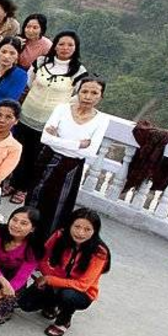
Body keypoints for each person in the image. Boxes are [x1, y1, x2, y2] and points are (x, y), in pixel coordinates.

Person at [9, 31, 87, 204]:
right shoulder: (41, 62)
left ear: (76, 48)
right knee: (19, 151)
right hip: (27, 114)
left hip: (50, 122)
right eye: (61, 44)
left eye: (70, 45)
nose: (65, 48)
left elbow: (77, 96)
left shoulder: (78, 71)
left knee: (37, 157)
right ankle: (13, 183)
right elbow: (29, 82)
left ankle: (24, 189)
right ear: (55, 46)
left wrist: (60, 109)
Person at [26, 77, 110, 236]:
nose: (88, 96)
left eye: (94, 93)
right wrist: (78, 144)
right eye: (84, 91)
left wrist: (58, 139)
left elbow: (90, 151)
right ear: (78, 92)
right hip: (48, 159)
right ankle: (24, 236)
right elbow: (45, 138)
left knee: (59, 206)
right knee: (34, 198)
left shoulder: (102, 119)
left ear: (101, 96)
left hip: (71, 166)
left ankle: (48, 242)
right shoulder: (62, 109)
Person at [19, 207, 110, 336]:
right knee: (25, 304)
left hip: (80, 292)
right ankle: (52, 305)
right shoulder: (59, 236)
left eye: (87, 229)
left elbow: (83, 285)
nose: (80, 233)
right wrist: (47, 276)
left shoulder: (99, 252)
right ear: (69, 225)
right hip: (55, 281)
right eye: (77, 227)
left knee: (68, 295)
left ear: (95, 231)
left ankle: (63, 320)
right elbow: (43, 258)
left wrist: (49, 279)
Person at [0, 206, 40, 324]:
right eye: (14, 220)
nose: (16, 225)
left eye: (23, 223)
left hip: (13, 280)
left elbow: (21, 277)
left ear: (32, 228)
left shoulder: (34, 248)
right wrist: (5, 284)